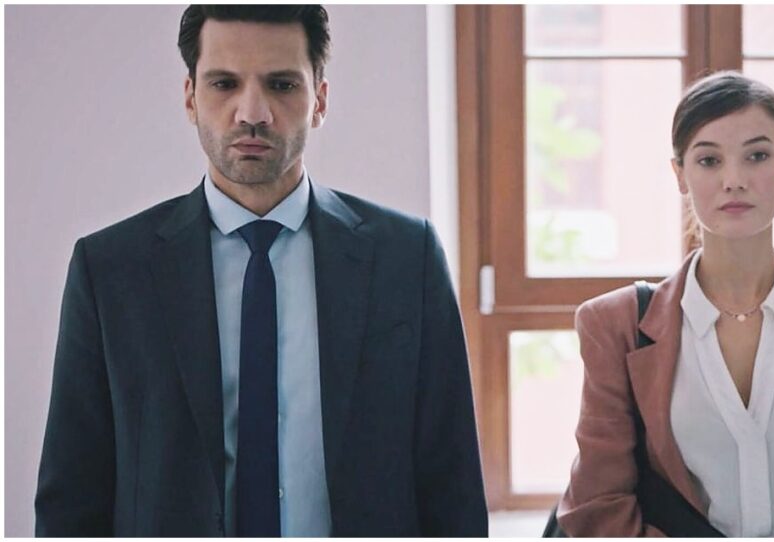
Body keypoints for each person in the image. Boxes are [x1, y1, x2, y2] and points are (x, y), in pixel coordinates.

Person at [34, 5, 487, 537]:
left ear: (319, 100)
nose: (253, 112)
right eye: (224, 83)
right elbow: (71, 499)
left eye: (281, 84)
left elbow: (452, 484)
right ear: (190, 97)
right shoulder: (110, 270)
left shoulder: (406, 259)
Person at [555, 71, 774, 537]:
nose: (734, 180)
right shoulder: (614, 324)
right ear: (680, 174)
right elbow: (599, 505)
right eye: (709, 160)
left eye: (757, 155)